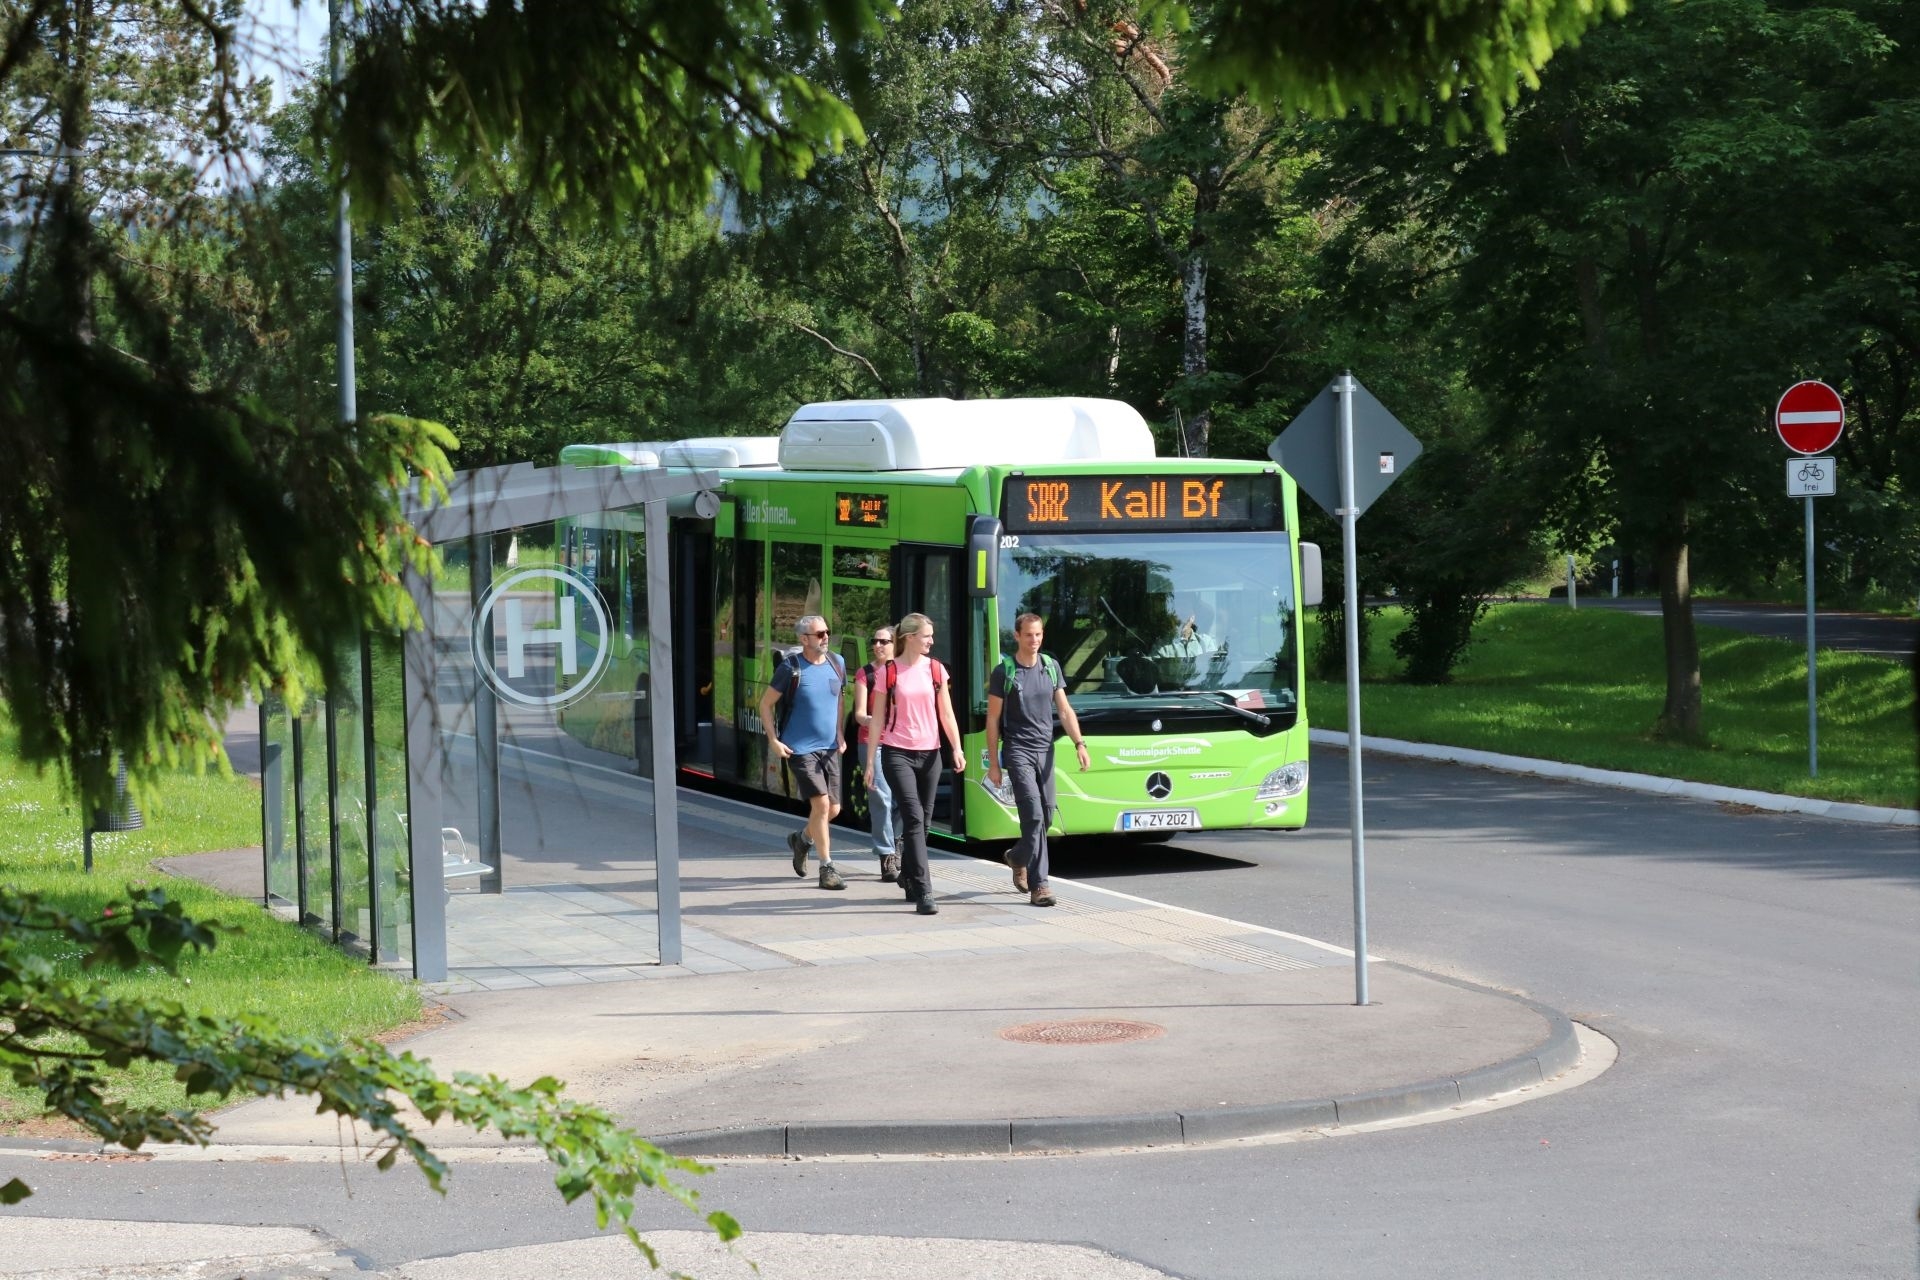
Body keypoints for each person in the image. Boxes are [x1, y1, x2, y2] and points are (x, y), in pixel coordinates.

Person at [985, 613, 1090, 908]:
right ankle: (1040, 885)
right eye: (1029, 635)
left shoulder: (1050, 667)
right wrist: (994, 764)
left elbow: (1065, 710)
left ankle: (1017, 857)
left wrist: (1079, 744)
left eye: (1038, 634)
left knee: (1046, 817)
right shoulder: (1004, 672)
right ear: (1017, 636)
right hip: (1018, 750)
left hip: (1045, 751)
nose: (1034, 640)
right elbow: (992, 719)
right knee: (1032, 816)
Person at [865, 612, 967, 916]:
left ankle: (908, 874)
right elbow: (877, 719)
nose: (932, 641)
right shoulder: (889, 671)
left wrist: (957, 748)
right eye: (927, 636)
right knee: (912, 818)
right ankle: (925, 891)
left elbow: (946, 714)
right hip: (897, 753)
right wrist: (870, 762)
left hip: (931, 754)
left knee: (923, 823)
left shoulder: (936, 670)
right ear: (910, 637)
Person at [757, 614, 848, 891]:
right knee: (821, 806)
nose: (825, 637)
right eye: (819, 634)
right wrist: (774, 740)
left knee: (834, 809)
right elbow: (765, 705)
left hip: (829, 747)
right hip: (800, 748)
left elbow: (839, 699)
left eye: (827, 632)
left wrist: (840, 732)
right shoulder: (791, 668)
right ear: (804, 639)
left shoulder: (837, 663)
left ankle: (802, 840)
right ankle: (827, 867)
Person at [852, 626, 902, 883]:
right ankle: (886, 854)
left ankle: (897, 844)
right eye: (875, 641)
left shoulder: (904, 671)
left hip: (901, 742)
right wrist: (873, 721)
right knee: (881, 797)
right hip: (872, 742)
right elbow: (859, 714)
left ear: (896, 644)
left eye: (884, 641)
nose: (878, 645)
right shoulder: (866, 674)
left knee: (903, 798)